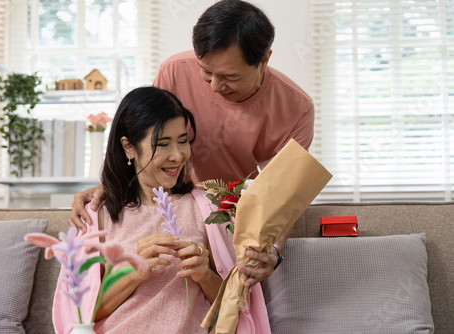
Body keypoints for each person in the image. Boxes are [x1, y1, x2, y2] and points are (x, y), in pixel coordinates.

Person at [70, 0, 314, 289]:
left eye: (230, 77)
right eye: (206, 72)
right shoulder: (175, 70)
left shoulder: (296, 108)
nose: (214, 86)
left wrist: (272, 250)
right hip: (174, 204)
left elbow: (284, 196)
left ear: (264, 60)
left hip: (230, 218)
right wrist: (113, 183)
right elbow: (146, 138)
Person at [53, 86, 271, 333]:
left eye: (182, 141)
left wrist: (204, 275)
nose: (178, 156)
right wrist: (133, 272)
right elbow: (80, 314)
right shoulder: (97, 215)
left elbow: (236, 308)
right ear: (129, 147)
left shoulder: (207, 208)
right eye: (163, 144)